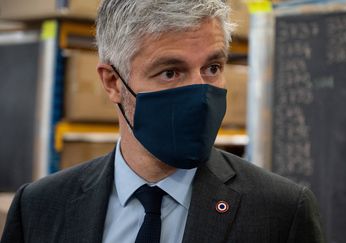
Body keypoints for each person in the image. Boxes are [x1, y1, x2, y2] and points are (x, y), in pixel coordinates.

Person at [1, 0, 325, 242]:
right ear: (113, 82)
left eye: (212, 68)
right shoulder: (38, 209)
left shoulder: (280, 213)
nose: (199, 92)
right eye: (170, 72)